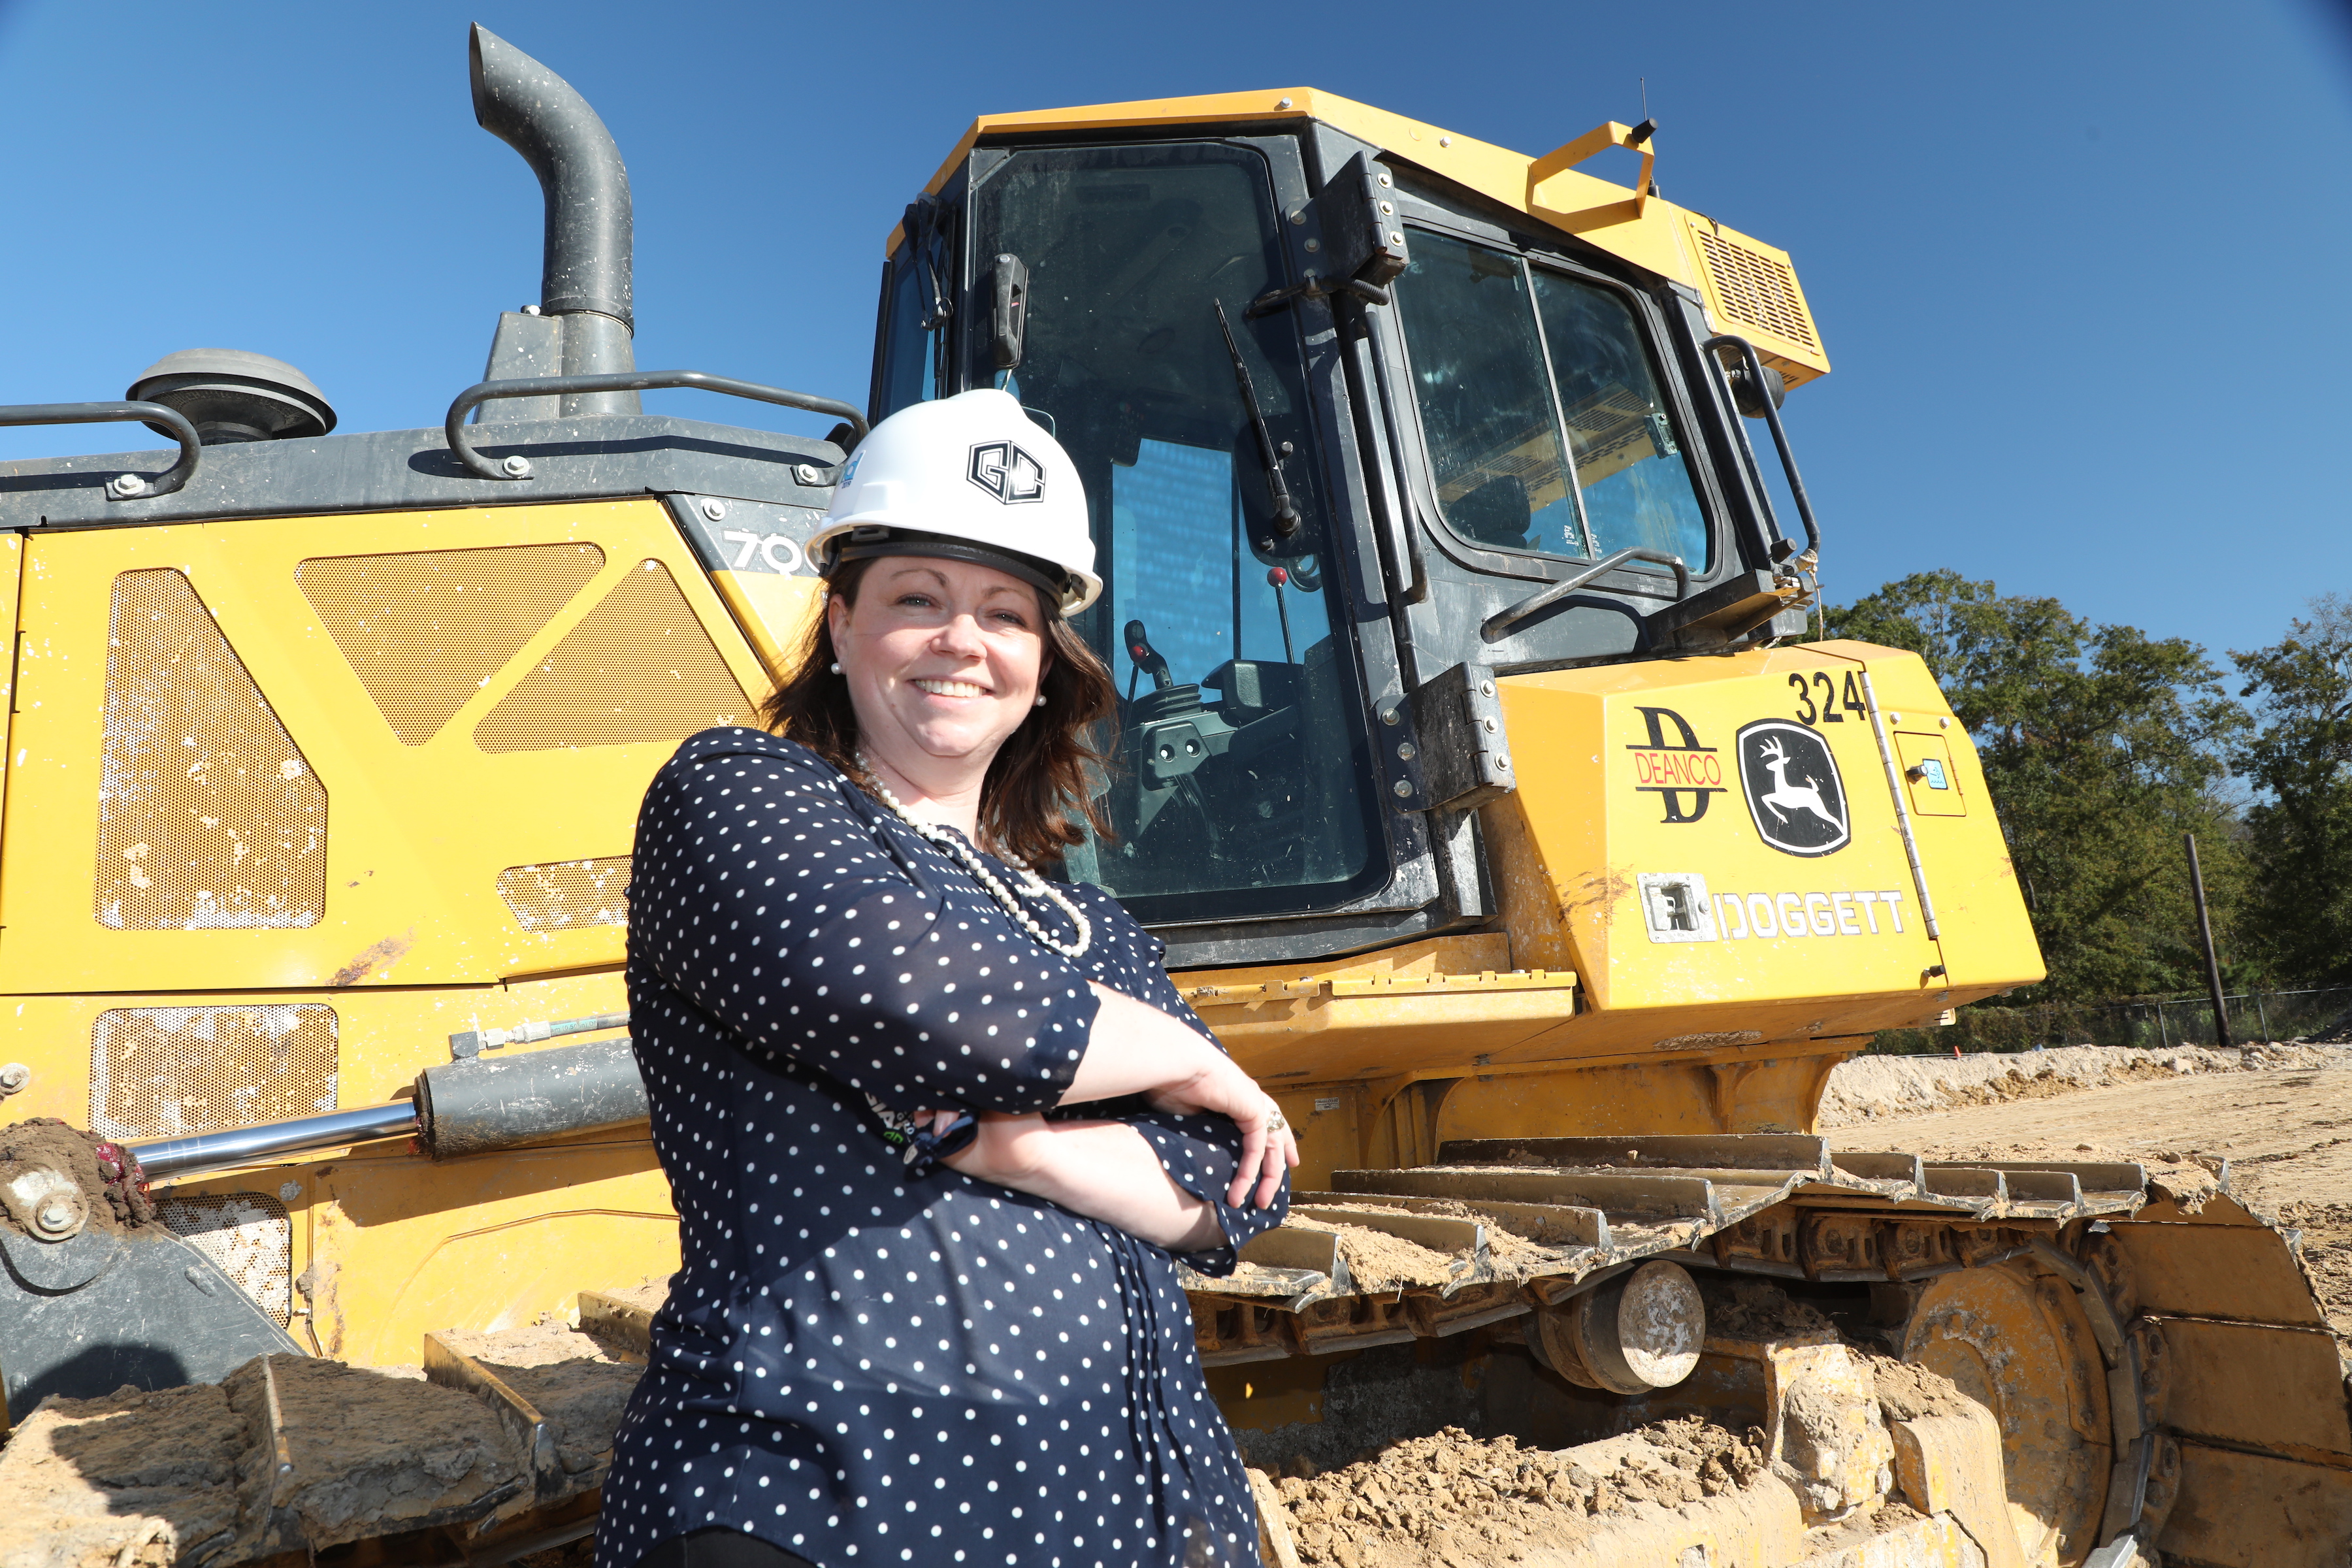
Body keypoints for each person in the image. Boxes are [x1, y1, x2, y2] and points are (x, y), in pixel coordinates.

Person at [596, 388, 1300, 1568]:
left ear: (1042, 661)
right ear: (838, 624)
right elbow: (902, 996)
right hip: (820, 1503)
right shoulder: (739, 796)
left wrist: (1025, 1148)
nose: (962, 640)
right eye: (916, 599)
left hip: (1122, 1513)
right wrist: (1185, 1057)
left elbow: (1238, 1185)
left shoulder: (1088, 925)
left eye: (1004, 613)